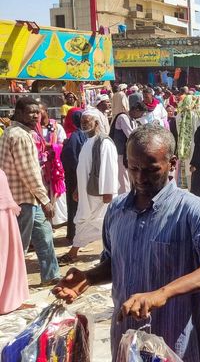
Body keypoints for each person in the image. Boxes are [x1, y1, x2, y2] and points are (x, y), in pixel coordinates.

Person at [52, 125, 200, 362]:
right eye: (134, 168)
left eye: (151, 170)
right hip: (126, 343)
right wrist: (88, 277)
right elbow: (115, 262)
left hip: (175, 345)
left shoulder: (191, 210)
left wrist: (163, 293)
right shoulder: (117, 210)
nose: (140, 178)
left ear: (172, 164)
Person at [0, 97, 60, 285]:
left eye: (37, 111)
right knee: (19, 248)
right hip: (22, 199)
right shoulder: (19, 135)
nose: (36, 115)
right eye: (31, 112)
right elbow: (29, 173)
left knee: (45, 237)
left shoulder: (16, 132)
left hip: (28, 198)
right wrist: (45, 200)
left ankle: (50, 276)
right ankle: (12, 288)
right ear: (18, 113)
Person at [58, 110, 118, 264]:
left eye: (88, 120)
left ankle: (74, 252)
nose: (84, 123)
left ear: (97, 122)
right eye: (83, 121)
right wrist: (78, 188)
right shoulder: (88, 141)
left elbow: (109, 169)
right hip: (87, 193)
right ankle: (107, 252)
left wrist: (108, 192)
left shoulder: (104, 142)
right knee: (87, 221)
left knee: (99, 222)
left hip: (100, 194)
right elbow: (83, 169)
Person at [0, 168, 30, 314]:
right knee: (6, 259)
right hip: (3, 219)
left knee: (7, 259)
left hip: (6, 216)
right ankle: (8, 300)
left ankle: (8, 299)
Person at [61, 108, 87, 242]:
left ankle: (75, 233)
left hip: (74, 176)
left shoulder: (74, 136)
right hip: (79, 176)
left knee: (74, 205)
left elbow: (68, 157)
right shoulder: (82, 135)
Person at [109, 101, 147, 194]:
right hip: (120, 153)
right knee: (123, 178)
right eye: (141, 114)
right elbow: (131, 134)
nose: (141, 116)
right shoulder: (123, 117)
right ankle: (124, 199)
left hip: (127, 153)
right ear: (136, 110)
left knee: (129, 177)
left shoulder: (133, 120)